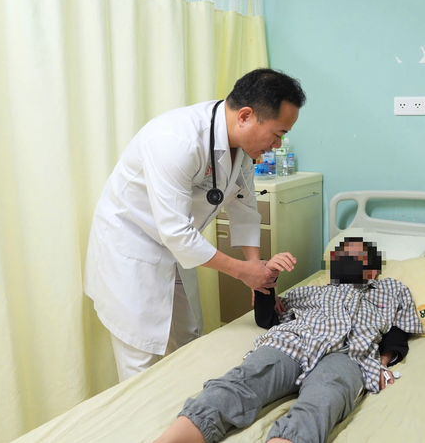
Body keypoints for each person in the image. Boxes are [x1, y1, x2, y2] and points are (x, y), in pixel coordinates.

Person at [84, 68, 306, 382]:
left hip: (177, 247)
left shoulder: (243, 148)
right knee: (141, 358)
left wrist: (258, 275)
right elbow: (176, 231)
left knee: (188, 338)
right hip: (131, 247)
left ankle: (190, 408)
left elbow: (244, 208)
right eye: (277, 133)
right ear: (246, 116)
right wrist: (243, 272)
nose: (278, 144)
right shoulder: (176, 140)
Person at [155, 237, 425, 443]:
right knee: (240, 382)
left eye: (356, 256)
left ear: (372, 270)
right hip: (292, 342)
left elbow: (398, 333)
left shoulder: (392, 290)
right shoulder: (312, 291)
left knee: (324, 399)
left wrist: (382, 362)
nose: (347, 259)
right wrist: (269, 276)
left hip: (349, 354)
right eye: (342, 255)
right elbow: (268, 317)